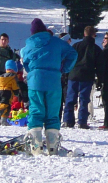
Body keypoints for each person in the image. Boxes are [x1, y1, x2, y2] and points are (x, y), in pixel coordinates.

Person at [20, 18, 78, 156]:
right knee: (52, 113)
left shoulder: (28, 46)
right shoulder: (56, 42)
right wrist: (64, 68)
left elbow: (25, 62)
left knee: (36, 111)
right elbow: (73, 54)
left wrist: (32, 71)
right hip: (53, 82)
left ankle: (36, 147)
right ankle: (53, 147)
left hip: (35, 82)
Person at [64, 25, 102, 129]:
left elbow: (69, 60)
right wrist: (99, 79)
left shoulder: (76, 45)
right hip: (87, 76)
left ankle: (68, 121)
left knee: (70, 98)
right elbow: (99, 65)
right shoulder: (96, 49)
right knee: (84, 100)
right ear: (94, 34)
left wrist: (67, 74)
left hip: (74, 74)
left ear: (84, 34)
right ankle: (82, 121)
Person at [0, 60, 22, 125]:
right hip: (8, 91)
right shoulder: (13, 76)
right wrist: (16, 92)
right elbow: (15, 85)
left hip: (0, 91)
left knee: (6, 105)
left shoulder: (2, 76)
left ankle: (3, 120)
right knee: (5, 105)